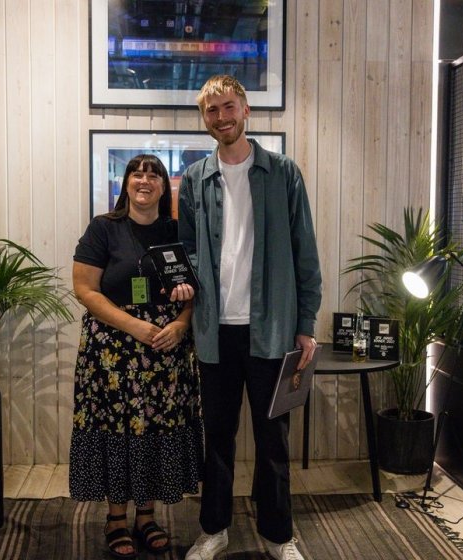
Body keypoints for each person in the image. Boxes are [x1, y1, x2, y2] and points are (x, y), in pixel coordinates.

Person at [178, 75, 322, 560]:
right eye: (212, 111)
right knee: (216, 439)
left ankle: (280, 536)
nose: (221, 118)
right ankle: (213, 529)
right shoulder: (195, 178)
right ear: (206, 119)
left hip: (273, 332)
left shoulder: (283, 173)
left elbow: (306, 254)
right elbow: (186, 252)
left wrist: (306, 325)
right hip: (214, 335)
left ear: (246, 110)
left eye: (228, 107)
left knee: (273, 441)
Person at [70, 154, 203, 559]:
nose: (144, 180)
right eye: (136, 173)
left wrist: (181, 323)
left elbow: (197, 288)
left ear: (165, 187)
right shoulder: (103, 229)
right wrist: (134, 326)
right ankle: (115, 517)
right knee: (116, 428)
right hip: (112, 350)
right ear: (125, 183)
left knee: (155, 429)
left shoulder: (179, 231)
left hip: (166, 350)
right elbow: (85, 290)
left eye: (154, 175)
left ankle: (146, 515)